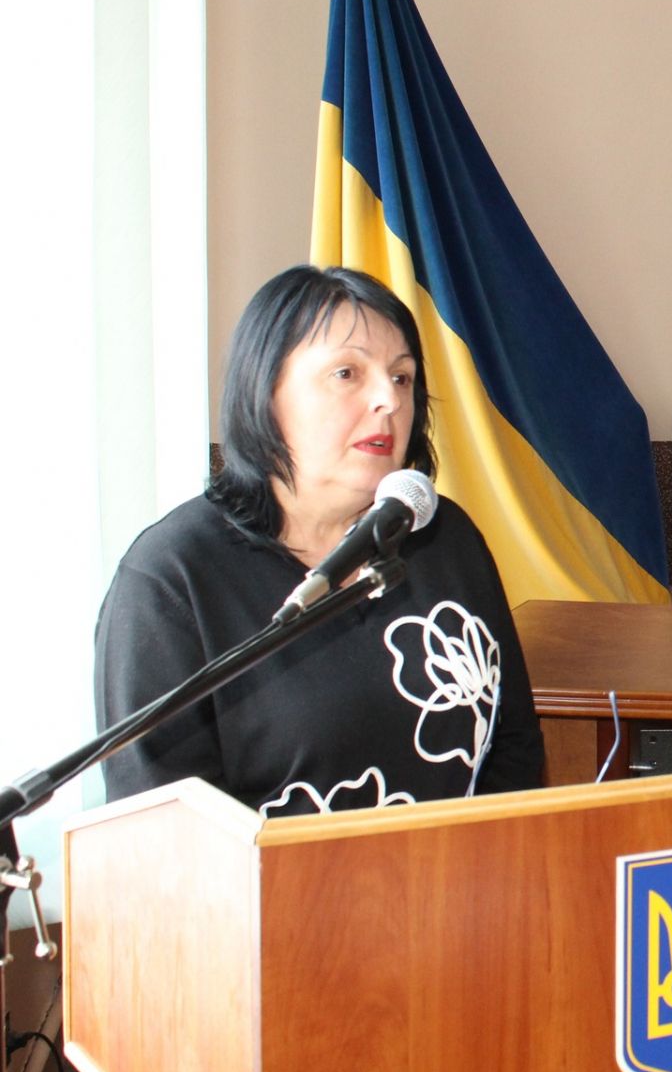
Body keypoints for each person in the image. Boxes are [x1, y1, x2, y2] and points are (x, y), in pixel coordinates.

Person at [94, 266, 544, 816]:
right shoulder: (172, 577)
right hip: (266, 877)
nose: (389, 399)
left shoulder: (442, 538)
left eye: (402, 377)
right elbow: (159, 822)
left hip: (462, 871)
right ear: (266, 392)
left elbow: (513, 744)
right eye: (347, 373)